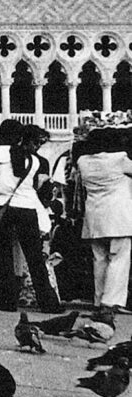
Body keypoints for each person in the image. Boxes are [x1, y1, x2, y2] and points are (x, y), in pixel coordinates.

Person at [0, 120, 62, 313]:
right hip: (26, 209)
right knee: (34, 258)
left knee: (3, 258)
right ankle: (48, 303)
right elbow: (35, 187)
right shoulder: (33, 160)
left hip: (0, 209)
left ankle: (7, 302)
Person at [75, 126, 132, 311]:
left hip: (94, 216)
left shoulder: (82, 161)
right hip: (118, 216)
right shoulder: (119, 159)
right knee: (119, 259)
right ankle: (112, 301)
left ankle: (98, 299)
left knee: (99, 259)